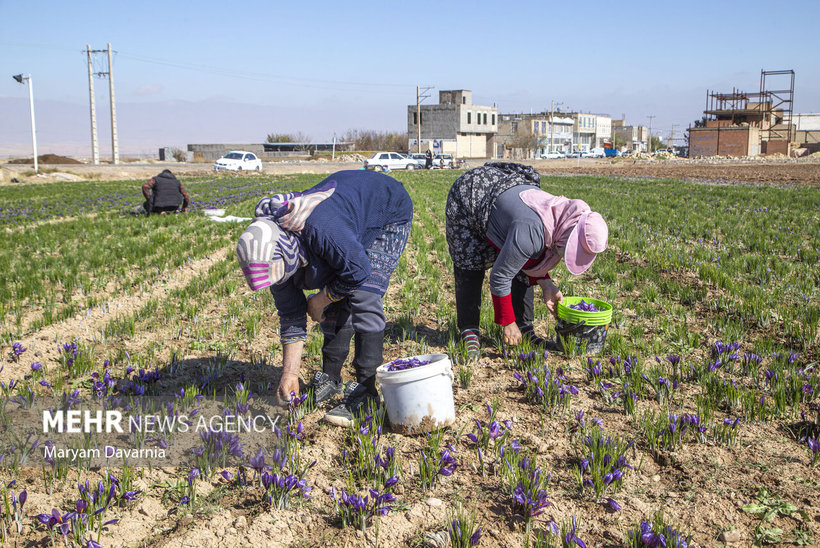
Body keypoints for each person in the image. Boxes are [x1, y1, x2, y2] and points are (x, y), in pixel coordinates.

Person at [236, 170, 413, 427]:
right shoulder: (275, 260)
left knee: (363, 294)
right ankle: (330, 378)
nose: (280, 281)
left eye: (282, 274)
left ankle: (367, 392)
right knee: (337, 288)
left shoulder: (322, 230)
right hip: (346, 224)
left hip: (387, 210)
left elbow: (358, 271)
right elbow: (291, 317)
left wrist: (322, 298)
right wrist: (290, 374)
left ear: (290, 256)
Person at [445, 162, 608, 359]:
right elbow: (499, 277)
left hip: (507, 206)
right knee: (470, 263)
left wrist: (547, 284)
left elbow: (529, 258)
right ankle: (469, 329)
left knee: (521, 256)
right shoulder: (531, 230)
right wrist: (507, 322)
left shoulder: (561, 218)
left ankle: (525, 328)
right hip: (472, 195)